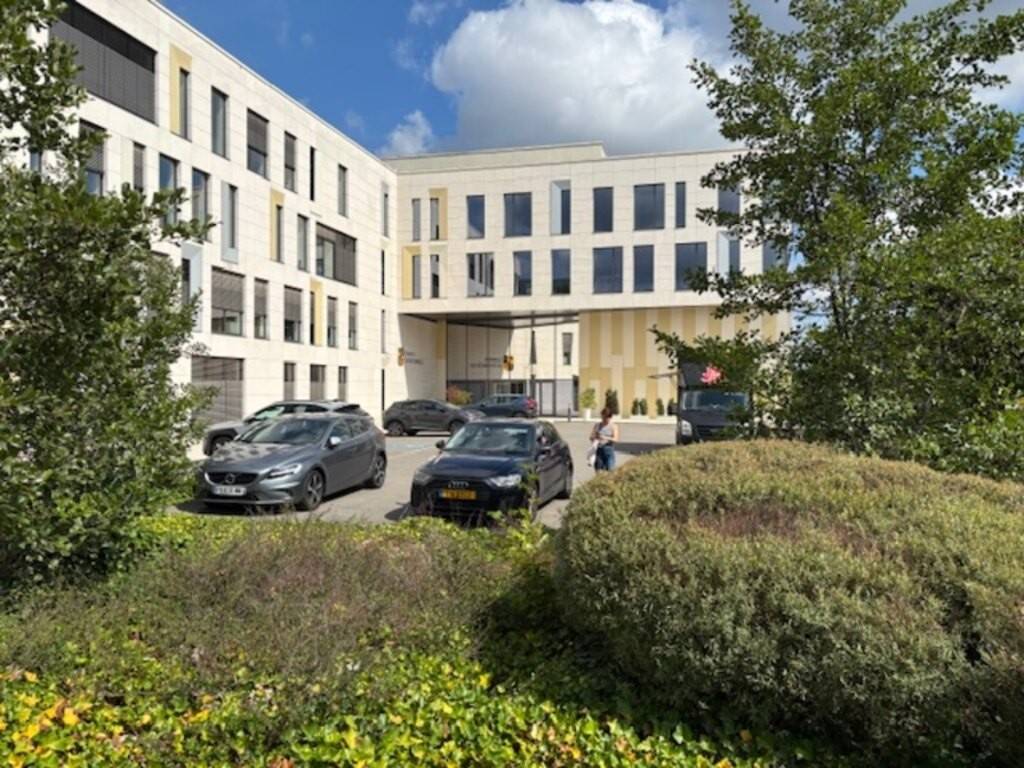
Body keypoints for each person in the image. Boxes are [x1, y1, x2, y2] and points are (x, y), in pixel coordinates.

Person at [590, 407, 619, 471]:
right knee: (598, 470)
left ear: (610, 417)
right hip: (599, 450)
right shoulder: (597, 425)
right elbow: (591, 437)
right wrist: (594, 437)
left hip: (608, 450)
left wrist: (604, 437)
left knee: (610, 470)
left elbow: (616, 439)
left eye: (606, 418)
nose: (604, 420)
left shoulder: (613, 426)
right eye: (603, 417)